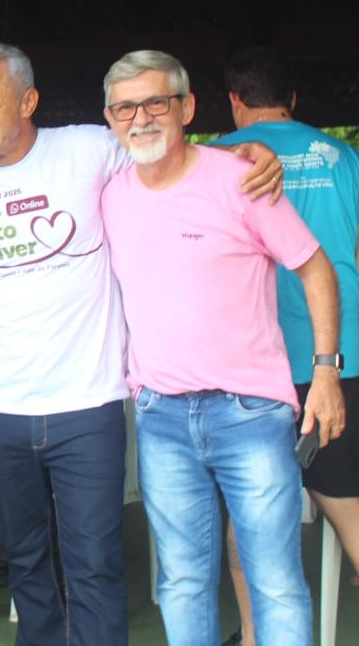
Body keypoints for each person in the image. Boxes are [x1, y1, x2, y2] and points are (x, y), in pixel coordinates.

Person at [0, 42, 283, 645]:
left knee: (95, 563)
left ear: (28, 101)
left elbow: (168, 154)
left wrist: (242, 150)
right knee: (27, 564)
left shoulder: (89, 150)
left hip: (87, 402)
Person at [99, 49, 345, 646]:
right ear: (109, 119)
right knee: (181, 582)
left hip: (251, 413)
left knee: (277, 582)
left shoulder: (239, 178)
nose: (142, 118)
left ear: (187, 107)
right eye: (126, 107)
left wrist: (327, 373)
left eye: (157, 102)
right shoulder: (109, 193)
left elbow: (316, 269)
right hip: (161, 416)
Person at [212, 45, 359, 646]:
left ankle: (251, 637)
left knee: (247, 518)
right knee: (349, 505)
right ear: (294, 100)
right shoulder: (342, 156)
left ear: (234, 100)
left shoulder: (216, 159)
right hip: (341, 354)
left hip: (253, 363)